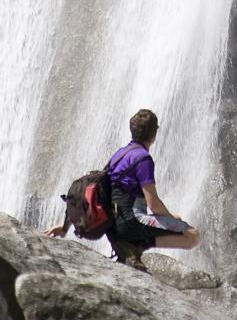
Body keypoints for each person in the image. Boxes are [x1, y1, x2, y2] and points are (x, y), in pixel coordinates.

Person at [47, 107, 200, 265]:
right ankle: (138, 244)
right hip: (132, 223)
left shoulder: (120, 155)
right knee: (192, 235)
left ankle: (131, 244)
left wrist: (65, 226)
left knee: (175, 219)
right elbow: (153, 203)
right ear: (154, 134)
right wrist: (167, 217)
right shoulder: (143, 159)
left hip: (113, 227)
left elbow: (92, 188)